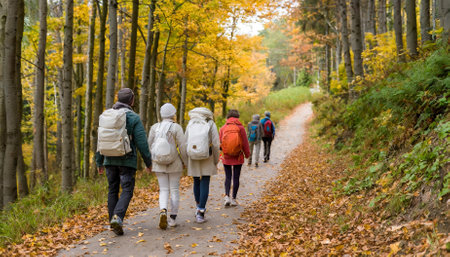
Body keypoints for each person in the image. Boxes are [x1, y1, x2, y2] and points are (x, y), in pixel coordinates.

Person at [95, 88, 152, 236]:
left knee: (112, 189)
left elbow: (101, 139)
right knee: (127, 189)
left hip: (108, 158)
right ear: (131, 101)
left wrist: (99, 161)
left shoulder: (106, 115)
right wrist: (148, 162)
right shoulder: (133, 117)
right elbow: (141, 142)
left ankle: (112, 223)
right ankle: (117, 217)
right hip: (126, 160)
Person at [147, 103, 187, 229]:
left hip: (158, 163)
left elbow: (149, 145)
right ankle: (173, 218)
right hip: (174, 163)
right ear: (173, 114)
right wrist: (185, 162)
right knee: (174, 189)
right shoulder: (176, 127)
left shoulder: (155, 127)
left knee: (163, 189)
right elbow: (182, 147)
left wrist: (151, 161)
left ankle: (163, 210)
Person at [185, 107, 220, 223]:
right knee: (205, 180)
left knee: (196, 181)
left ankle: (198, 206)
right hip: (207, 156)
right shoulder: (210, 123)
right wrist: (216, 158)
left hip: (193, 156)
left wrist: (186, 159)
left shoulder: (190, 123)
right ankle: (201, 211)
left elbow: (186, 142)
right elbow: (215, 143)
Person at [219, 109, 250, 207]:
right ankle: (233, 199)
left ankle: (227, 196)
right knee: (236, 177)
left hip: (226, 156)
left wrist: (222, 151)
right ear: (237, 117)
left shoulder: (223, 128)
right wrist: (247, 154)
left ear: (228, 117)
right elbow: (245, 143)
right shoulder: (241, 128)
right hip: (238, 156)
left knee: (228, 177)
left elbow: (220, 143)